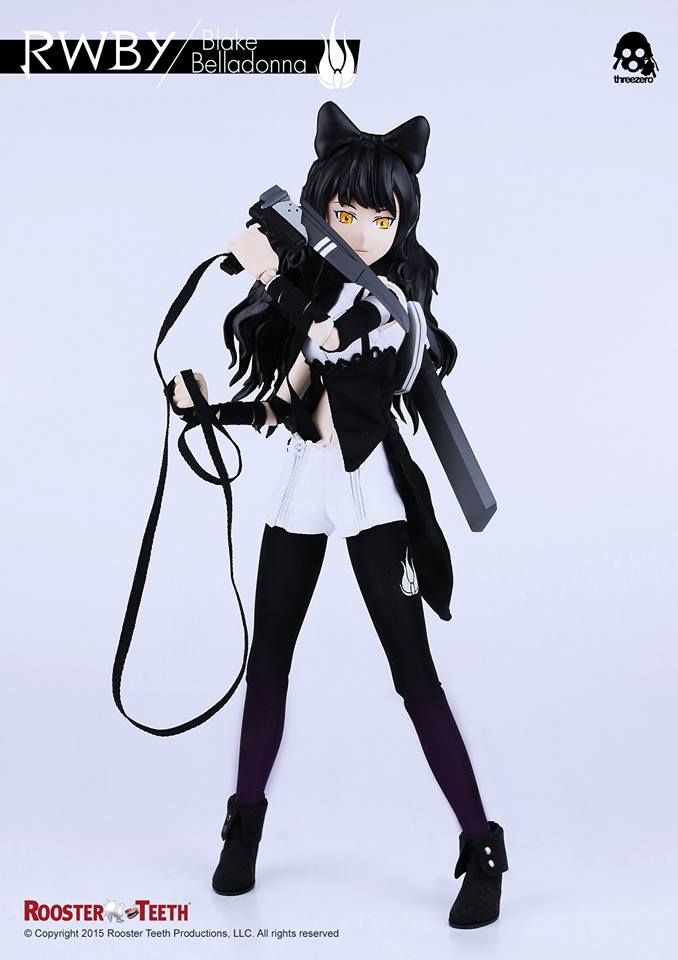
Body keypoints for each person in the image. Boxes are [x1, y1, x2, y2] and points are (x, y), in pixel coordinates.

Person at [167, 101, 509, 929]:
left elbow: (327, 337)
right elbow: (287, 406)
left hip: (370, 497)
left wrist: (267, 273)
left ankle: (482, 846)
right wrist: (205, 410)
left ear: (402, 223)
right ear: (321, 209)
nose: (361, 231)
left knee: (413, 675)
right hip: (301, 489)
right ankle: (244, 822)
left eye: (380, 217)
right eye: (345, 213)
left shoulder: (387, 304)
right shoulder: (321, 294)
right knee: (269, 665)